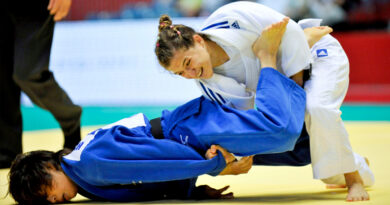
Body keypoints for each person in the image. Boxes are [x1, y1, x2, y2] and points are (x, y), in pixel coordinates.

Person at [8, 23, 309, 204]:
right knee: (300, 151)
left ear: (50, 165)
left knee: (280, 130)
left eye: (41, 187)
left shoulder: (89, 164)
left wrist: (214, 164)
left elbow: (156, 159)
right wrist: (195, 190)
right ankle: (298, 68)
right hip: (186, 136)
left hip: (187, 134)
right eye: (42, 201)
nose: (49, 199)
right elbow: (149, 176)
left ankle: (273, 55)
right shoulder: (85, 173)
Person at [154, 1, 374, 201]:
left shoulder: (230, 18)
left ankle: (354, 179)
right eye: (181, 73)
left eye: (188, 62)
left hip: (318, 57)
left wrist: (300, 45)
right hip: (281, 73)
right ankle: (355, 165)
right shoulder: (209, 83)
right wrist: (236, 156)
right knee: (306, 148)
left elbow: (285, 28)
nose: (191, 74)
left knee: (315, 109)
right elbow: (246, 120)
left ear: (198, 40)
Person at [0, 0, 81, 168]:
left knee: (28, 74)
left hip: (36, 6)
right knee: (2, 76)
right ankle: (7, 151)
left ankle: (70, 118)